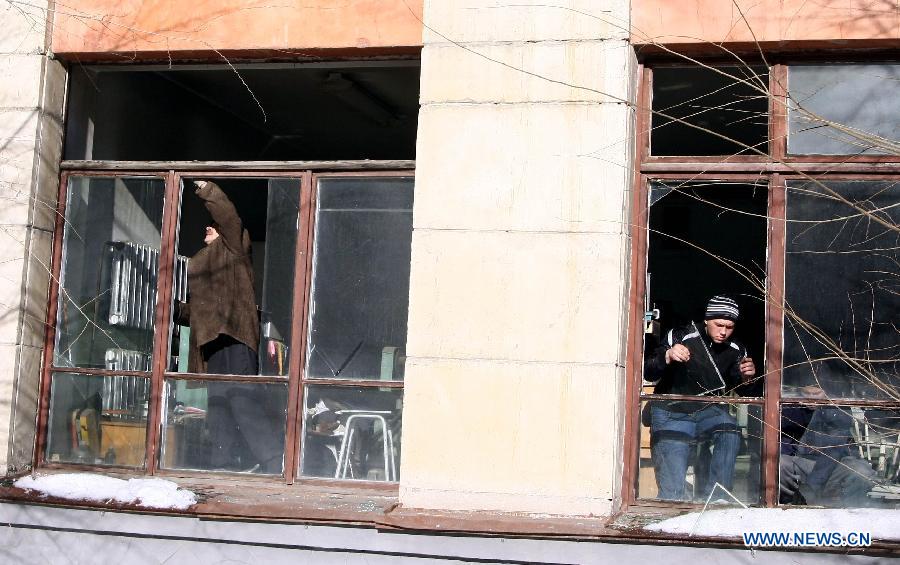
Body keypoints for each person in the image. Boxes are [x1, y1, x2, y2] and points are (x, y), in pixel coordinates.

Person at [177, 180, 283, 473]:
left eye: (213, 225)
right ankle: (221, 463)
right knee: (220, 407)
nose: (208, 228)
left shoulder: (234, 249)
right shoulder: (207, 264)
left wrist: (206, 187)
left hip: (235, 336)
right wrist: (172, 309)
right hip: (214, 343)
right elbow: (202, 313)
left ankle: (274, 461)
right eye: (207, 226)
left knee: (242, 401)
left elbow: (228, 216)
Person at [644, 295, 756, 501]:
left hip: (707, 412)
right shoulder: (679, 335)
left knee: (729, 429)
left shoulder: (737, 349)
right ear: (706, 320)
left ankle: (718, 496)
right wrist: (667, 356)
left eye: (729, 327)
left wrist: (747, 379)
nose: (723, 332)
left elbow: (745, 392)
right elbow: (648, 372)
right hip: (671, 412)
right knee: (672, 493)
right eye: (719, 324)